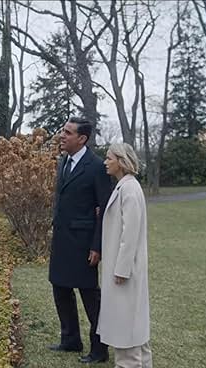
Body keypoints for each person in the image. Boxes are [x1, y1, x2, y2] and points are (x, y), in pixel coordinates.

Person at [48, 117, 113, 364]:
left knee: (90, 298)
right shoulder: (64, 161)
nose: (62, 135)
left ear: (82, 138)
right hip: (62, 240)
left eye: (68, 132)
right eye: (63, 130)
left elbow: (104, 208)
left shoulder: (96, 167)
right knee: (60, 288)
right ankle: (70, 340)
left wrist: (97, 246)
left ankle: (99, 350)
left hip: (85, 244)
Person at [98, 143, 152, 368]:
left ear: (120, 161)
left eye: (109, 158)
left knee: (125, 324)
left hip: (124, 270)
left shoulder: (129, 189)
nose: (105, 162)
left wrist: (121, 269)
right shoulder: (126, 187)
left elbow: (129, 234)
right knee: (134, 324)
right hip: (124, 267)